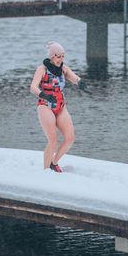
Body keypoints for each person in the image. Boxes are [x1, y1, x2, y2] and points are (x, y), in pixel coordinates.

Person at [30, 41, 87, 172]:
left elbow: (73, 77)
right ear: (51, 56)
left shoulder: (63, 68)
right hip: (45, 105)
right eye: (58, 56)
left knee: (70, 138)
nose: (60, 59)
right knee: (53, 140)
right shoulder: (42, 69)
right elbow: (33, 87)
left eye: (62, 56)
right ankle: (45, 170)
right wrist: (43, 95)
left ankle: (53, 162)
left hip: (60, 106)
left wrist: (80, 82)